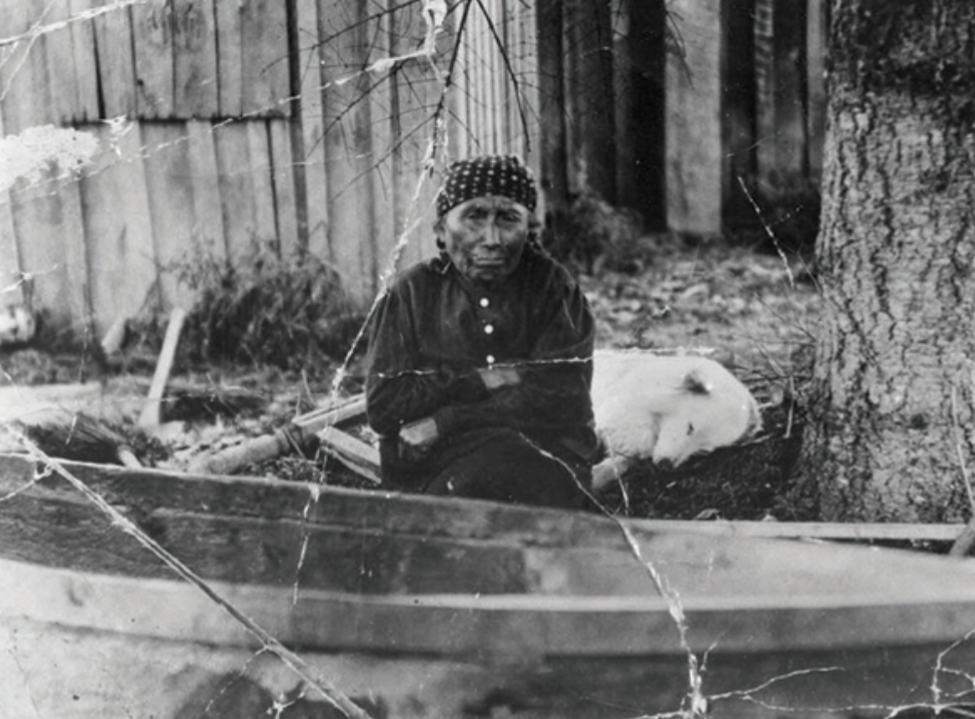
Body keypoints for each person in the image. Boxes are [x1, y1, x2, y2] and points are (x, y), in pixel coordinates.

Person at [364, 154, 598, 509]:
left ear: (529, 229)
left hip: (543, 454)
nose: (491, 238)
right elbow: (384, 406)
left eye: (508, 219)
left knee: (509, 470)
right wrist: (483, 379)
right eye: (474, 216)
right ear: (441, 231)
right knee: (478, 483)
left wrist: (446, 419)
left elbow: (564, 396)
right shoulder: (410, 294)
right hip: (435, 462)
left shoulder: (554, 288)